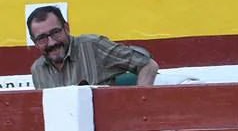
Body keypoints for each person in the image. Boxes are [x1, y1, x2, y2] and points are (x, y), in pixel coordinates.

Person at [28, 5, 159, 88]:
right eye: (42, 38)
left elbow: (148, 65)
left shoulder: (93, 46)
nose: (51, 42)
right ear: (34, 42)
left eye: (55, 33)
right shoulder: (37, 70)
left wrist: (141, 104)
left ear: (67, 28)